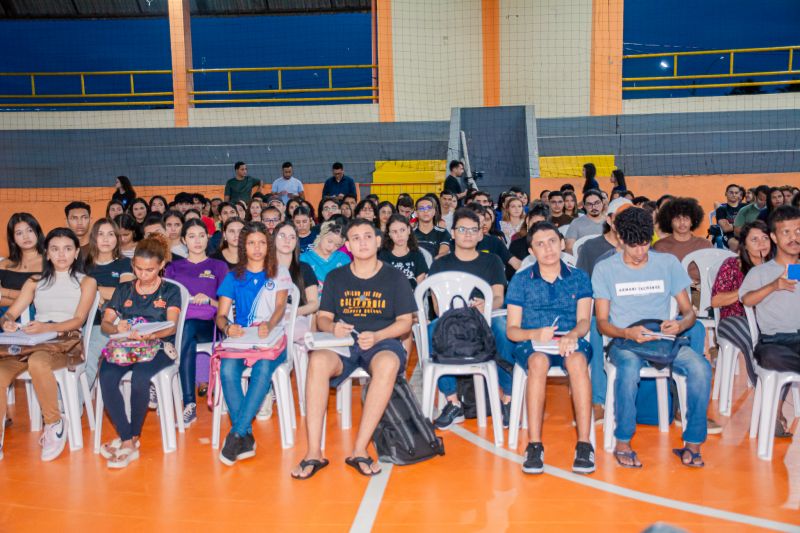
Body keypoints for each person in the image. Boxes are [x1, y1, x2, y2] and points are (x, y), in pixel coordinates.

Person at [291, 218, 416, 479]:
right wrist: (333, 327)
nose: (362, 242)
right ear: (347, 245)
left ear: (378, 241)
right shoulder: (336, 277)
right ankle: (313, 452)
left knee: (388, 363)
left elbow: (405, 322)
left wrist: (378, 335)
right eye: (356, 238)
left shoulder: (395, 277)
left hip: (381, 341)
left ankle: (360, 449)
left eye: (368, 236)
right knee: (317, 361)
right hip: (343, 343)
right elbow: (323, 318)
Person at [593, 207, 712, 468]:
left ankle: (693, 443)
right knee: (628, 369)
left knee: (701, 368)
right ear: (620, 239)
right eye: (633, 246)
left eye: (645, 244)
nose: (640, 252)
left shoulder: (667, 264)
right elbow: (602, 323)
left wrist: (679, 325)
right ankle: (623, 441)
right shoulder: (605, 269)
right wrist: (626, 332)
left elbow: (689, 313)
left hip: (662, 339)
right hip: (624, 340)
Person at [505, 221, 594, 474]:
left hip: (570, 339)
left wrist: (572, 335)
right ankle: (534, 445)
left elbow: (584, 321)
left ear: (562, 243)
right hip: (533, 343)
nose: (548, 249)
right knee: (538, 362)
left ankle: (584, 444)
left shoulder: (579, 277)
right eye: (540, 244)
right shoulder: (521, 280)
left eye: (553, 241)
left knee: (577, 361)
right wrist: (535, 334)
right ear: (531, 251)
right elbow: (512, 330)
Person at [0, 228, 96, 461]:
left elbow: (79, 320)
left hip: (67, 341)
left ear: (76, 253)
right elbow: (11, 313)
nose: (61, 254)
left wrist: (47, 328)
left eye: (67, 249)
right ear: (47, 253)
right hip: (32, 340)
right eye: (55, 249)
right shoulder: (34, 281)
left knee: (38, 362)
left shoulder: (87, 281)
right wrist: (7, 322)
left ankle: (54, 423)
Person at [98, 234, 181, 468]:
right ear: (133, 264)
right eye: (138, 269)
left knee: (140, 378)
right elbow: (105, 324)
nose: (143, 274)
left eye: (150, 270)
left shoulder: (170, 291)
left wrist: (151, 335)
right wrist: (117, 328)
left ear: (161, 265)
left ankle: (132, 438)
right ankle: (128, 439)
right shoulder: (124, 289)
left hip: (159, 347)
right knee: (106, 375)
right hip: (126, 346)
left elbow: (172, 327)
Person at [214, 222, 291, 464]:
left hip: (272, 338)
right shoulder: (233, 276)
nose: (257, 248)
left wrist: (269, 324)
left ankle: (236, 434)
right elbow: (220, 315)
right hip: (242, 340)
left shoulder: (279, 272)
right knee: (227, 371)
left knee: (263, 369)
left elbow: (280, 306)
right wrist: (228, 328)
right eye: (251, 243)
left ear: (268, 245)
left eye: (261, 243)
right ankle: (244, 435)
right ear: (243, 247)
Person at [428, 208, 511, 429]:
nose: (468, 234)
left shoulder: (492, 261)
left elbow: (498, 297)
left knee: (503, 328)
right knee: (432, 328)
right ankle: (452, 401)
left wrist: (486, 304)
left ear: (481, 234)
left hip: (484, 320)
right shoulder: (440, 264)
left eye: (473, 230)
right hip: (451, 323)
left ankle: (508, 399)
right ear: (453, 233)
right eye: (462, 229)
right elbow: (436, 306)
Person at [740, 205, 800, 436]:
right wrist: (775, 285)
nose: (794, 237)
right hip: (774, 342)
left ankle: (775, 413)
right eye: (786, 232)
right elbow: (747, 299)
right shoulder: (761, 272)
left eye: (798, 231)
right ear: (774, 237)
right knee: (773, 357)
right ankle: (774, 413)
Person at [164, 219, 228, 426]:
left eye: (201, 235)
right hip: (180, 326)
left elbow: (226, 305)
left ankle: (169, 371)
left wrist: (209, 300)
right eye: (191, 236)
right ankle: (189, 405)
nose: (197, 241)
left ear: (208, 237)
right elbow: (166, 301)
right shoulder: (173, 267)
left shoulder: (218, 266)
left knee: (189, 327)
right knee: (187, 336)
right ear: (184, 240)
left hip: (208, 325)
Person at [711, 221, 774, 414]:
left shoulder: (779, 265)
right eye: (754, 239)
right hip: (734, 319)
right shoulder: (732, 264)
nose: (761, 243)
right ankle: (762, 386)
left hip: (768, 321)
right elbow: (715, 301)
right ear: (744, 245)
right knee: (752, 336)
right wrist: (746, 291)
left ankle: (777, 389)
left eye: (765, 238)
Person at [83, 219, 135, 389]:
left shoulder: (125, 263)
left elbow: (123, 294)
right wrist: (100, 294)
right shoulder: (84, 264)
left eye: (111, 234)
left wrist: (94, 290)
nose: (105, 239)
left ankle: (73, 402)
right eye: (100, 234)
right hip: (81, 321)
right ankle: (64, 399)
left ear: (117, 238)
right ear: (93, 238)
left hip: (108, 325)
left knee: (88, 355)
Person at [274, 221, 320, 346]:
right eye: (282, 235)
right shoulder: (265, 269)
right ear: (273, 239)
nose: (287, 240)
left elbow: (314, 303)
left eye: (292, 237)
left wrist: (293, 313)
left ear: (296, 242)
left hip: (297, 319)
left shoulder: (304, 268)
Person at [653, 197, 712, 285]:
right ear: (669, 221)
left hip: (701, 290)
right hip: (671, 290)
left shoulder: (705, 245)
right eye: (677, 218)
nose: (682, 222)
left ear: (692, 222)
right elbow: (657, 276)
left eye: (686, 218)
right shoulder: (660, 246)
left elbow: (712, 273)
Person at [0, 213, 44, 309]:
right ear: (13, 239)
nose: (26, 236)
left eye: (30, 230)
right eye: (19, 233)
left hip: (40, 317)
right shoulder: (4, 264)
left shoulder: (52, 262)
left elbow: (47, 297)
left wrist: (5, 292)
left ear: (37, 232)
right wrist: (28, 299)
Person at [379, 214, 429, 289]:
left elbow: (420, 287)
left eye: (402, 230)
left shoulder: (417, 255)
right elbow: (381, 284)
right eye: (394, 232)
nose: (399, 235)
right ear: (389, 234)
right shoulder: (383, 255)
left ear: (408, 230)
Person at [299, 220, 350, 294]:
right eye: (329, 241)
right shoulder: (304, 259)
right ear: (321, 235)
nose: (331, 247)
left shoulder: (343, 258)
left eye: (337, 245)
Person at [714, 184, 744, 249]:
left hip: (746, 233)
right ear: (726, 194)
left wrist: (732, 226)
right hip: (730, 236)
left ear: (739, 195)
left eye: (736, 193)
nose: (734, 195)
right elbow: (726, 228)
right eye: (731, 192)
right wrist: (744, 224)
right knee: (737, 245)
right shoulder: (721, 209)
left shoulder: (745, 207)